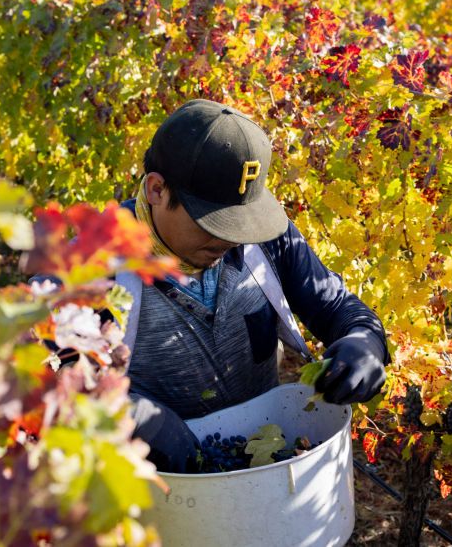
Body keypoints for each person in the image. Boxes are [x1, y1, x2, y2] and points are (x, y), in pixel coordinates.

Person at [121, 99, 388, 473]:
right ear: (157, 191)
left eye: (240, 223)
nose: (231, 240)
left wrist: (366, 340)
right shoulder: (92, 269)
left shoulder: (263, 241)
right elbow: (40, 382)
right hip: (161, 499)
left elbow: (337, 307)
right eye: (215, 224)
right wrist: (130, 414)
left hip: (260, 473)